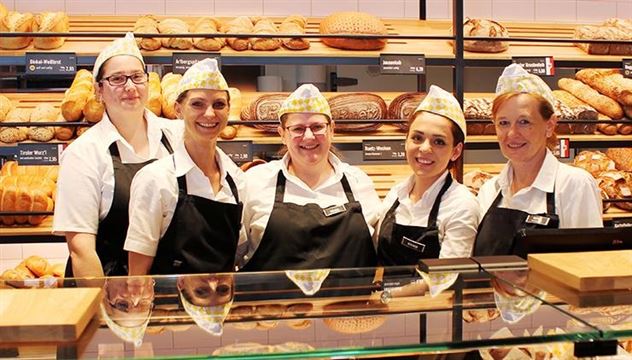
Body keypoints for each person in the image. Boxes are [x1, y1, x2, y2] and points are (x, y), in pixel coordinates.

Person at [54, 33, 182, 277]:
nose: (130, 87)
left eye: (137, 77)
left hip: (166, 288)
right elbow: (82, 252)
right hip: (111, 291)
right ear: (99, 90)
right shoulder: (84, 154)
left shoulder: (177, 137)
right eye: (117, 79)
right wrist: (104, 310)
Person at [124, 58, 245, 275]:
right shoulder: (155, 179)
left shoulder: (236, 179)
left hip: (221, 304)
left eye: (219, 104)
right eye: (197, 104)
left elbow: (237, 256)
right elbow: (137, 276)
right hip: (168, 306)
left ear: (228, 110)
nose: (209, 114)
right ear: (178, 109)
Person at [241, 84, 381, 271]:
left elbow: (379, 249)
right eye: (298, 128)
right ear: (282, 134)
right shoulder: (255, 181)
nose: (308, 137)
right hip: (273, 300)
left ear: (332, 130)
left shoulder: (359, 182)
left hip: (349, 300)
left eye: (317, 127)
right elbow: (235, 252)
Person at [474, 64, 603, 256]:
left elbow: (590, 265)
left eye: (524, 122)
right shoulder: (489, 191)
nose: (512, 133)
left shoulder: (573, 185)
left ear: (550, 126)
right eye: (503, 123)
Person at [375, 85, 479, 266]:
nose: (424, 148)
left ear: (456, 151)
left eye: (438, 142)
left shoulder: (462, 205)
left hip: (429, 295)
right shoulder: (395, 194)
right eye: (417, 138)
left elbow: (446, 277)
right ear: (405, 141)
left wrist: (391, 295)